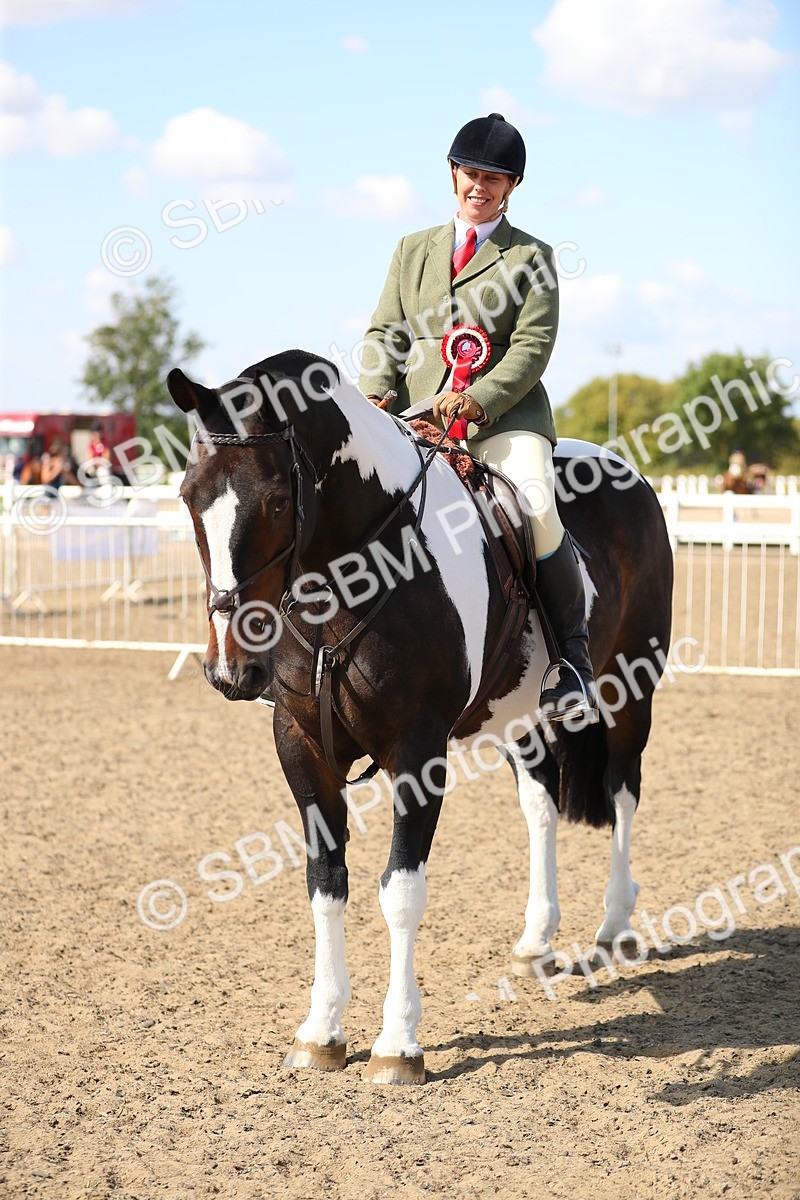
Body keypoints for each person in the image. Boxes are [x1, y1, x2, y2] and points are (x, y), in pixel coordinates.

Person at [358, 112, 596, 723]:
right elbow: (386, 330)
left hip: (504, 421)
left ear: (511, 187)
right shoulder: (412, 251)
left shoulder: (531, 257)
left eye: (495, 176)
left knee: (538, 506)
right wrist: (377, 394)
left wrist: (480, 397)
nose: (479, 184)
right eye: (470, 172)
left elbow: (532, 345)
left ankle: (571, 661)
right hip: (416, 415)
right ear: (452, 173)